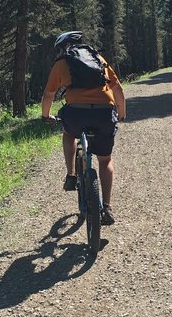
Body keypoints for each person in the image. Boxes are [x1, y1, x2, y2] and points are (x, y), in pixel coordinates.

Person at [41, 31, 126, 225]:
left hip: (76, 114)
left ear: (62, 47)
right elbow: (118, 88)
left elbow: (48, 94)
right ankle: (107, 207)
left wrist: (46, 116)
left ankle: (71, 175)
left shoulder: (61, 63)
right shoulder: (99, 59)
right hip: (104, 113)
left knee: (69, 134)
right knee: (105, 160)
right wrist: (121, 114)